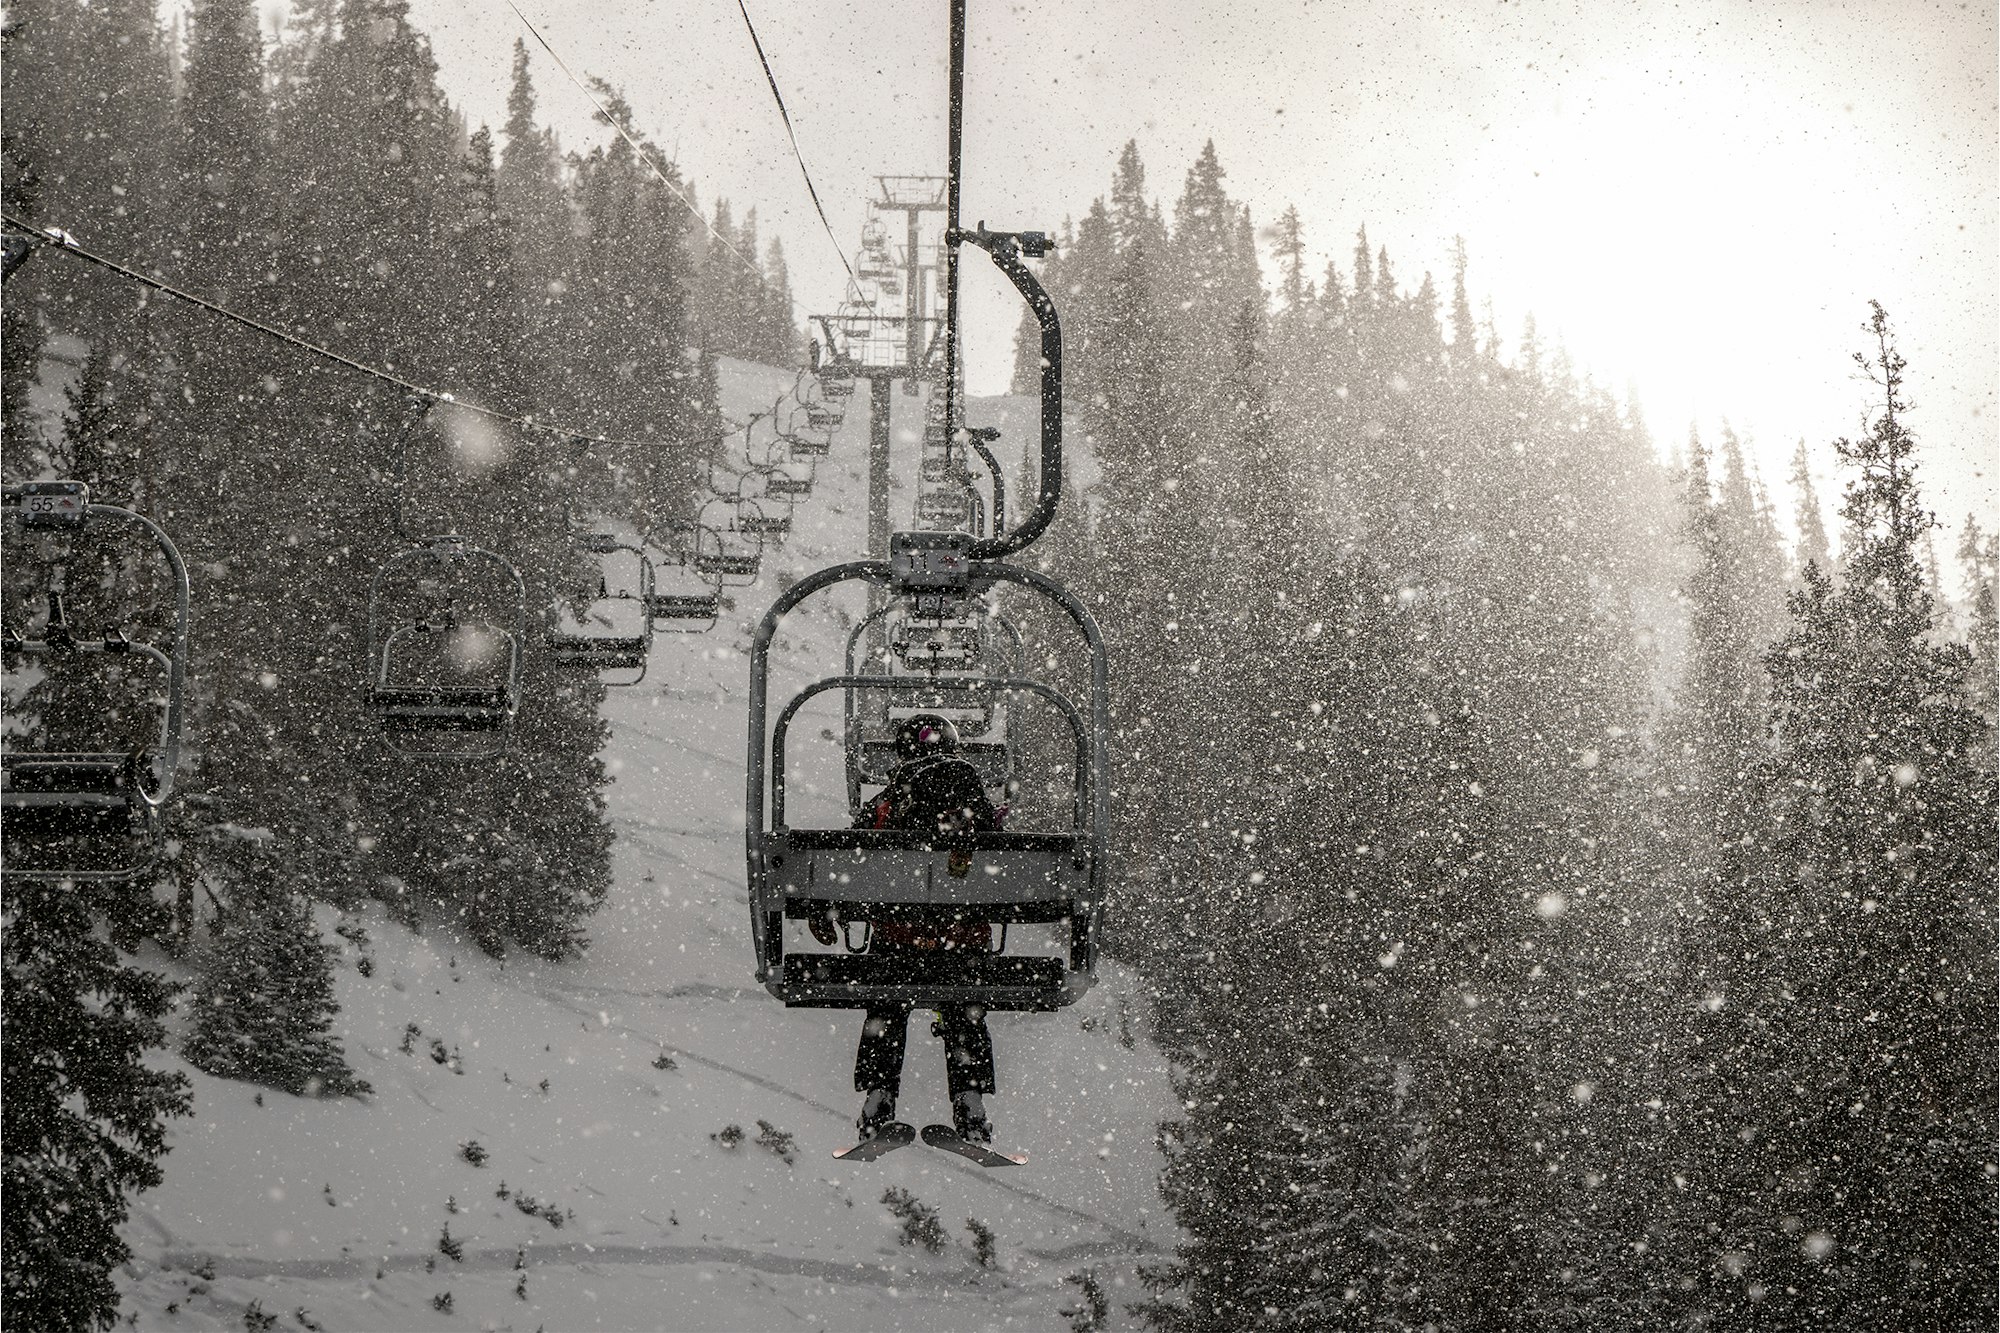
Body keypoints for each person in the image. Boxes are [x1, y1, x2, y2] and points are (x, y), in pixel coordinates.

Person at [828, 714, 1002, 1143]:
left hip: (898, 942)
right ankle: (970, 1105)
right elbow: (1005, 868)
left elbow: (850, 862)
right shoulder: (976, 807)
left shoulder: (887, 804)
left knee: (887, 1006)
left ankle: (878, 1099)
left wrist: (829, 908)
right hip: (962, 943)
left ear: (904, 754)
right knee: (963, 1009)